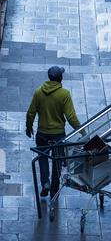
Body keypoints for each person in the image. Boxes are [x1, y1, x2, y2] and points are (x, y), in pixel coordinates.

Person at [26, 66, 82, 200]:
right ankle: (54, 191)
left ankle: (45, 183)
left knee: (43, 159)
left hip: (42, 134)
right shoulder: (64, 94)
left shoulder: (39, 92)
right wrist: (82, 130)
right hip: (58, 136)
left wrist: (29, 128)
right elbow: (71, 117)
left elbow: (31, 113)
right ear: (60, 78)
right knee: (57, 163)